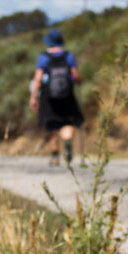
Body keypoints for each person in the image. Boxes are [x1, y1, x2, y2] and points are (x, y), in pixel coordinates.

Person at [28, 28, 84, 166]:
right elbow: (75, 76)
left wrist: (33, 96)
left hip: (48, 96)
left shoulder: (43, 57)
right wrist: (79, 80)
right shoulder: (68, 55)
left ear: (49, 42)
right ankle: (67, 142)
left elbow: (38, 78)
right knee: (67, 121)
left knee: (52, 124)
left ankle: (54, 156)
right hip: (67, 95)